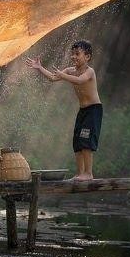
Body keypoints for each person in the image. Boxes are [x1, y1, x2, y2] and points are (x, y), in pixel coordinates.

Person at [25, 40, 102, 181]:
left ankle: (88, 173)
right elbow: (53, 78)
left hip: (93, 110)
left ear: (87, 57)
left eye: (77, 54)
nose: (73, 57)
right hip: (83, 110)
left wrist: (62, 75)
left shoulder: (89, 71)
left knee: (86, 141)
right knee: (77, 141)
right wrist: (39, 67)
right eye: (72, 54)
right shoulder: (70, 70)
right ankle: (79, 173)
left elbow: (79, 80)